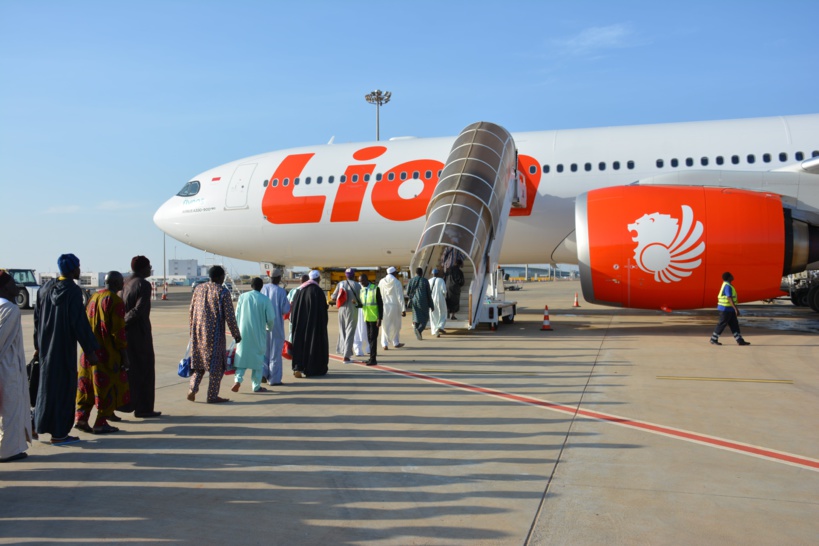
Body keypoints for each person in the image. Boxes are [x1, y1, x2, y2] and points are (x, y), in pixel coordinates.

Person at [33, 254, 100, 445]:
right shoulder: (72, 291)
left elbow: (36, 320)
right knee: (64, 390)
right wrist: (91, 350)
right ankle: (60, 433)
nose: (79, 270)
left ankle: (39, 426)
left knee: (45, 389)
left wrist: (38, 346)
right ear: (72, 270)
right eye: (78, 267)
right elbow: (79, 323)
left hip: (46, 348)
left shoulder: (45, 289)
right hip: (63, 348)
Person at [75, 271, 130, 434]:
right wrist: (125, 356)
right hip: (107, 353)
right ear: (115, 283)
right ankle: (100, 422)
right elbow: (118, 331)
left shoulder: (93, 297)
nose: (123, 283)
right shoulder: (115, 301)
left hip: (88, 351)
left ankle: (81, 418)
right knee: (107, 387)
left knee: (87, 386)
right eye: (121, 281)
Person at [188, 266, 242, 403]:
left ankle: (192, 389)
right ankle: (212, 396)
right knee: (216, 367)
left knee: (199, 365)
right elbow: (230, 315)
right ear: (219, 277)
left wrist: (192, 330)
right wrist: (236, 334)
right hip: (214, 335)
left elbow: (191, 310)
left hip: (198, 333)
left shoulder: (198, 289)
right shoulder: (222, 292)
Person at [0, 271, 33, 462]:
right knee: (10, 409)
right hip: (7, 366)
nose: (15, 286)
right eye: (12, 282)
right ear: (4, 287)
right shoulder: (10, 309)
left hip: (8, 364)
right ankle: (8, 451)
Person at [123, 255, 160, 418]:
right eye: (149, 266)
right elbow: (139, 309)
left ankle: (125, 404)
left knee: (129, 371)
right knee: (144, 369)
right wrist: (125, 321)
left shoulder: (124, 282)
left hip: (124, 334)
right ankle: (144, 408)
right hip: (138, 332)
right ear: (142, 268)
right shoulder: (143, 284)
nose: (150, 269)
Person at [232, 277, 276, 393]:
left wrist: (236, 330)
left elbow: (236, 315)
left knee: (242, 359)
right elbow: (271, 318)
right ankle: (256, 386)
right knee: (258, 361)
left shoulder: (242, 297)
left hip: (243, 333)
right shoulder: (265, 300)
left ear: (251, 286)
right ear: (261, 287)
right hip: (258, 334)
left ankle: (237, 380)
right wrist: (269, 328)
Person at [290, 270, 329, 377]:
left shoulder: (300, 291)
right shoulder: (318, 291)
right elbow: (322, 312)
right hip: (314, 326)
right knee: (313, 345)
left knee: (300, 344)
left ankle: (298, 366)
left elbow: (294, 310)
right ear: (318, 279)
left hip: (301, 325)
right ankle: (312, 368)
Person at [260, 269, 290, 386]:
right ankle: (274, 379)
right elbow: (285, 310)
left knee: (264, 351)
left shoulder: (263, 289)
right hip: (276, 324)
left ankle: (263, 372)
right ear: (278, 278)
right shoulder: (281, 291)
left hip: (263, 324)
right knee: (275, 352)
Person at [710, 272, 751, 346]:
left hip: (729, 309)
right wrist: (736, 309)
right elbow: (729, 297)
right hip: (725, 308)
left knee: (734, 325)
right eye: (731, 275)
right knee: (722, 324)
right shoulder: (727, 286)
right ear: (729, 277)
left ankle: (739, 340)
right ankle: (713, 339)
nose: (733, 276)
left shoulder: (728, 285)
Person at [331, 268, 361, 363]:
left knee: (342, 331)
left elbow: (333, 296)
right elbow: (360, 299)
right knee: (350, 332)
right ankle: (346, 356)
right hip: (352, 310)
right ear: (353, 275)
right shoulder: (357, 285)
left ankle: (343, 350)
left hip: (341, 310)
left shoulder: (340, 284)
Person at [378, 267, 406, 350]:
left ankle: (384, 344)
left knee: (384, 325)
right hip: (394, 306)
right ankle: (396, 342)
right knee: (395, 325)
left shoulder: (381, 281)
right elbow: (400, 296)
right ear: (394, 273)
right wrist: (403, 309)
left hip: (384, 306)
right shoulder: (396, 282)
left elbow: (378, 295)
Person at [358, 273, 383, 366]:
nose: (361, 283)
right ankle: (371, 357)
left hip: (374, 318)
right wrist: (356, 304)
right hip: (367, 317)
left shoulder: (375, 288)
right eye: (360, 282)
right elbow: (363, 304)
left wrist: (380, 318)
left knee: (373, 339)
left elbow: (380, 304)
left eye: (362, 281)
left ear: (366, 279)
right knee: (369, 338)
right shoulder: (362, 290)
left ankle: (373, 359)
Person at [406, 267, 435, 340]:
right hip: (423, 302)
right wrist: (431, 305)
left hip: (414, 302)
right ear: (422, 273)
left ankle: (418, 334)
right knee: (425, 318)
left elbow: (407, 292)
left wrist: (412, 297)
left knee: (416, 318)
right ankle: (419, 330)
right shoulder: (425, 281)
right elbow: (429, 294)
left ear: (416, 273)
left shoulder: (411, 281)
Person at [286, 274, 309, 342]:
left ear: (300, 281)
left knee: (292, 334)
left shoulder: (293, 291)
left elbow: (287, 304)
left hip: (293, 317)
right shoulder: (310, 291)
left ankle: (291, 349)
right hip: (305, 317)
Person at [429, 268, 447, 337]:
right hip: (440, 299)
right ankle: (440, 326)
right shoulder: (441, 280)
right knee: (443, 313)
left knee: (433, 315)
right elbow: (444, 291)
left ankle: (435, 331)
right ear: (438, 273)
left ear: (432, 274)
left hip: (431, 300)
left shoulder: (429, 281)